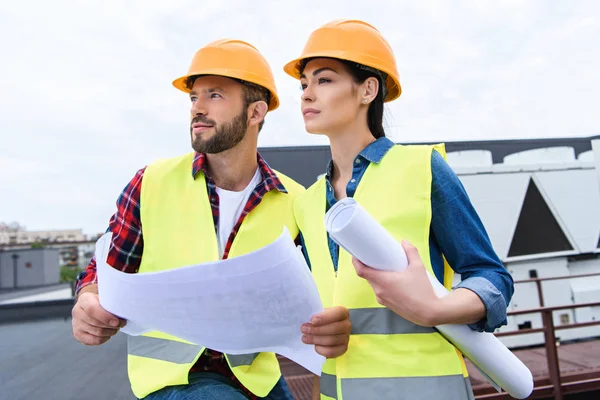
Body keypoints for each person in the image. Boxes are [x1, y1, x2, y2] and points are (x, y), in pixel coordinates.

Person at [72, 38, 352, 400]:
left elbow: (322, 296)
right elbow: (105, 270)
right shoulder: (151, 182)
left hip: (254, 379)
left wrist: (332, 323)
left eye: (214, 96)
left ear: (255, 113)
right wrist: (88, 301)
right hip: (175, 380)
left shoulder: (295, 199)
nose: (197, 109)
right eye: (193, 98)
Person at [284, 20, 515, 400]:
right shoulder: (306, 203)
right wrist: (319, 332)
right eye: (303, 84)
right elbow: (318, 307)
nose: (307, 94)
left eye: (323, 80)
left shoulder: (423, 169)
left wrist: (434, 309)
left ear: (368, 90)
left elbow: (491, 278)